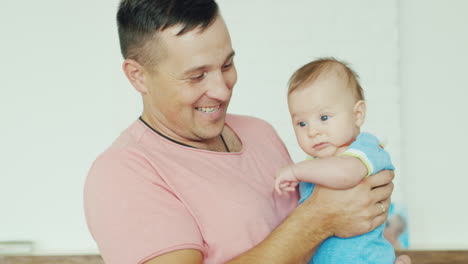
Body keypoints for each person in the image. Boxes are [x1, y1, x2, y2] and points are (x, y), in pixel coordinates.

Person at [83, 1, 412, 263]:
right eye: (197, 76)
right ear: (138, 76)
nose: (222, 90)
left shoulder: (260, 134)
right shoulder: (123, 173)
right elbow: (321, 217)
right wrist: (317, 219)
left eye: (226, 65)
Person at [275, 58, 395, 263]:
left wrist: (297, 171)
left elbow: (347, 174)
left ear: (357, 115)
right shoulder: (314, 164)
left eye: (324, 118)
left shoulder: (365, 147)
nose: (313, 131)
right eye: (302, 123)